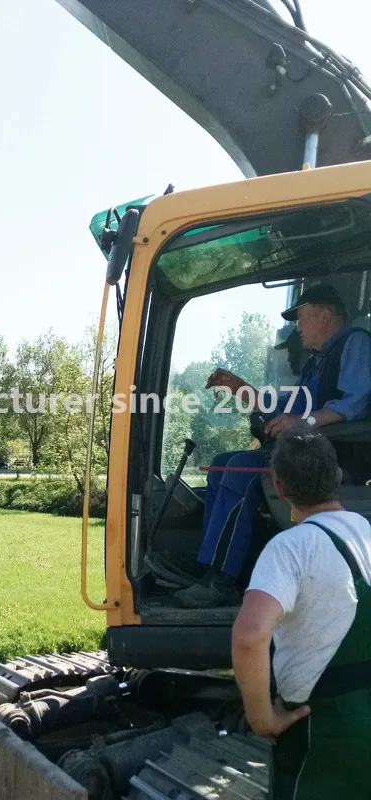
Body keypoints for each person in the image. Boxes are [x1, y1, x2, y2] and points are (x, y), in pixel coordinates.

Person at [174, 284, 371, 608]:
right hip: (308, 447)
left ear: (325, 315)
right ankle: (213, 567)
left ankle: (221, 581)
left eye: (302, 317)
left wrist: (303, 422)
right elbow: (285, 404)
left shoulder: (356, 344)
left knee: (240, 471)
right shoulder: (317, 361)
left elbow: (353, 403)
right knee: (223, 463)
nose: (298, 326)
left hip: (334, 456)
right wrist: (240, 387)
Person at [231, 428, 371, 799]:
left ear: (278, 486)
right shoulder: (369, 534)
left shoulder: (291, 547)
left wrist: (262, 719)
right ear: (338, 476)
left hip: (322, 734)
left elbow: (249, 636)